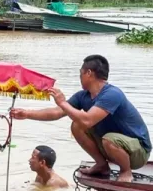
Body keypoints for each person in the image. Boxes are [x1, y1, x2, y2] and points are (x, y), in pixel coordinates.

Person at [11, 55, 151, 182]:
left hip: (138, 151)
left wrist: (62, 102)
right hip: (113, 146)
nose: (79, 77)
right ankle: (102, 165)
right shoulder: (82, 96)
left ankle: (126, 171)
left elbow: (88, 120)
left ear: (89, 73)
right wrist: (27, 114)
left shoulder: (112, 94)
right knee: (76, 125)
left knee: (107, 138)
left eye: (81, 73)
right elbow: (57, 112)